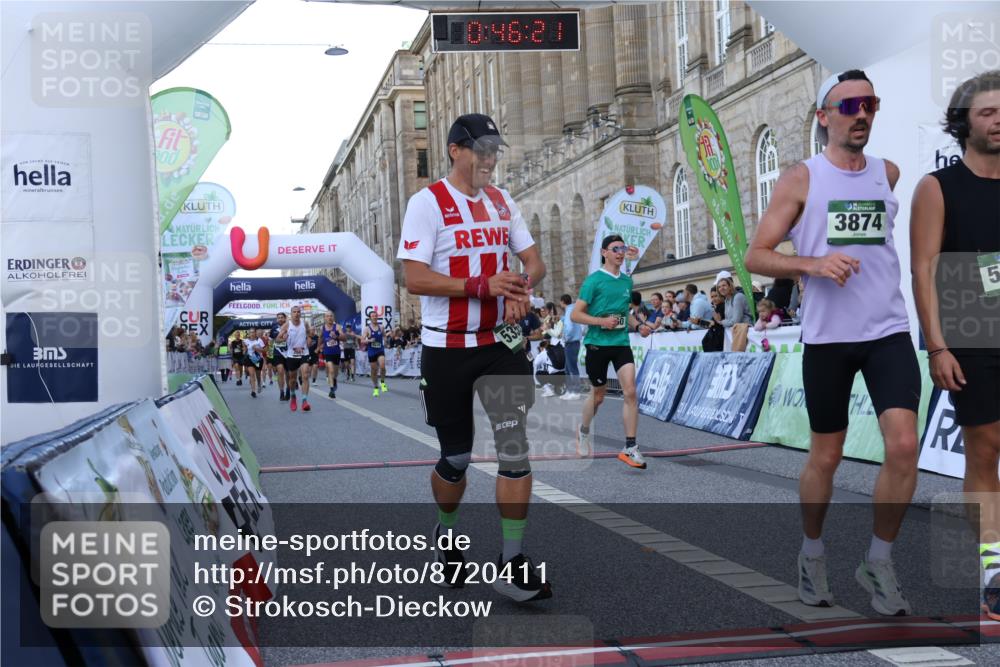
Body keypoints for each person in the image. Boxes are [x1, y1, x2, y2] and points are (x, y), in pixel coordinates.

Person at [745, 69, 919, 616]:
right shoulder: (802, 178)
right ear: (824, 117)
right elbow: (756, 255)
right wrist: (812, 263)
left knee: (904, 447)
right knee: (827, 455)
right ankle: (812, 553)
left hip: (888, 331)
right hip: (829, 339)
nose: (861, 113)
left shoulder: (887, 173)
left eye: (869, 103)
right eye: (849, 106)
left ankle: (879, 561)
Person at [397, 112, 550, 601]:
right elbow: (415, 278)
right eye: (480, 149)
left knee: (515, 451)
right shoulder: (428, 203)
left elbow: (533, 260)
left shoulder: (503, 201)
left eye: (494, 150)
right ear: (454, 150)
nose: (489, 159)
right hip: (447, 349)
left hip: (500, 345)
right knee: (457, 457)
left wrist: (523, 287)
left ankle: (512, 561)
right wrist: (480, 286)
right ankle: (447, 532)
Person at [910, 72, 1000, 618]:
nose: (999, 120)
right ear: (964, 122)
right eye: (988, 111)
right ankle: (993, 564)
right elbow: (924, 270)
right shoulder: (937, 186)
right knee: (986, 448)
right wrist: (937, 347)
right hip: (971, 330)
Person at [572, 234, 653, 467]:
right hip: (597, 344)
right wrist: (600, 322)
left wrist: (638, 326)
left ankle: (630, 447)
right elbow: (575, 314)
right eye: (615, 248)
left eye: (622, 248)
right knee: (598, 396)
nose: (620, 252)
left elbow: (625, 314)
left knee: (630, 392)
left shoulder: (627, 281)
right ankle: (584, 432)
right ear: (604, 253)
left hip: (620, 343)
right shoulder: (593, 281)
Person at [277, 306, 313, 412]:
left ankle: (304, 400)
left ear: (300, 314)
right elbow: (278, 339)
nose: (296, 314)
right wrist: (283, 338)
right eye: (294, 312)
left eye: (298, 312)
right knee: (292, 379)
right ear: (291, 314)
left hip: (304, 353)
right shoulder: (287, 325)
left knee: (305, 374)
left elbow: (309, 334)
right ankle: (293, 396)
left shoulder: (305, 323)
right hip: (291, 355)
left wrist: (309, 339)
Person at [559, 293, 583, 399]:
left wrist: (566, 337)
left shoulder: (569, 311)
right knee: (568, 368)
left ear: (562, 302)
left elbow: (569, 327)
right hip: (574, 342)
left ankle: (576, 391)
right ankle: (569, 390)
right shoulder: (572, 310)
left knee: (572, 368)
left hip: (571, 342)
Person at [362, 312, 389, 397]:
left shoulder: (381, 327)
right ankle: (375, 387)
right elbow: (362, 340)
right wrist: (369, 341)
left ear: (377, 317)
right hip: (371, 351)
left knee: (382, 366)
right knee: (374, 370)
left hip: (380, 350)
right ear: (370, 318)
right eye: (372, 316)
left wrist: (385, 342)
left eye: (375, 316)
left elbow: (384, 336)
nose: (374, 317)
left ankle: (383, 382)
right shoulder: (367, 329)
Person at [320, 312, 343, 399]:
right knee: (331, 370)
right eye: (327, 316)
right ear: (325, 318)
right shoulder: (323, 328)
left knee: (335, 372)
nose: (329, 318)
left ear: (333, 317)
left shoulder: (337, 327)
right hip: (327, 352)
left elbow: (344, 338)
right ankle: (332, 389)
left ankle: (334, 380)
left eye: (331, 316)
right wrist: (318, 347)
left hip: (336, 352)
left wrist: (337, 336)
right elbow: (321, 338)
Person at [269, 312, 289, 401]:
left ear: (285, 318)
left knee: (289, 374)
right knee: (280, 371)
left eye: (282, 317)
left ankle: (288, 389)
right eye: (278, 318)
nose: (280, 319)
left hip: (289, 353)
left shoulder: (291, 327)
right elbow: (272, 341)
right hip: (277, 353)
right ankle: (281, 392)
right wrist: (269, 355)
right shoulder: (274, 328)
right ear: (277, 319)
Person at [243, 330, 265, 398]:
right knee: (252, 374)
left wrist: (257, 348)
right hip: (250, 359)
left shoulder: (259, 341)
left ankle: (259, 384)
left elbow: (264, 350)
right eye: (250, 332)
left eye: (253, 332)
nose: (252, 334)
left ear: (255, 333)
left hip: (257, 359)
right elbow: (244, 350)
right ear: (248, 334)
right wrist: (244, 350)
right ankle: (253, 391)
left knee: (258, 375)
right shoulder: (245, 341)